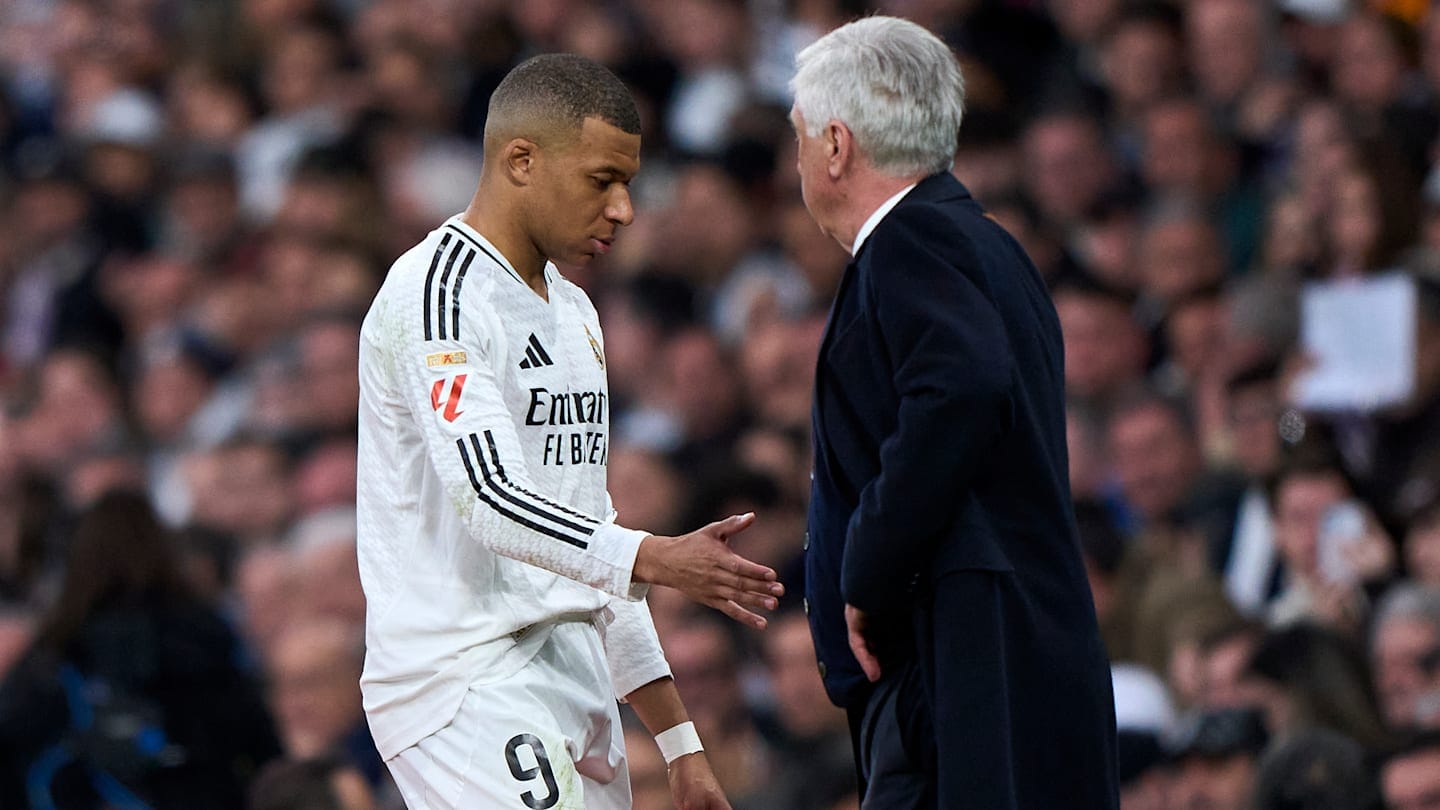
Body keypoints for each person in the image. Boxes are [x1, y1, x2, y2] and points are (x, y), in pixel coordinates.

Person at [356, 53, 784, 810]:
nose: (624, 209)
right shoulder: (436, 295)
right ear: (521, 160)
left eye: (629, 184)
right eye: (602, 180)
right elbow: (491, 499)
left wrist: (680, 742)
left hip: (572, 674)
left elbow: (587, 531)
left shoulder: (576, 310)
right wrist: (657, 558)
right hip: (464, 679)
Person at [791, 16, 1119, 808]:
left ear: (835, 145)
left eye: (798, 135)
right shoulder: (984, 243)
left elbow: (960, 388)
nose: (795, 158)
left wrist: (866, 567)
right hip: (1002, 663)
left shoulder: (912, 240)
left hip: (956, 674)